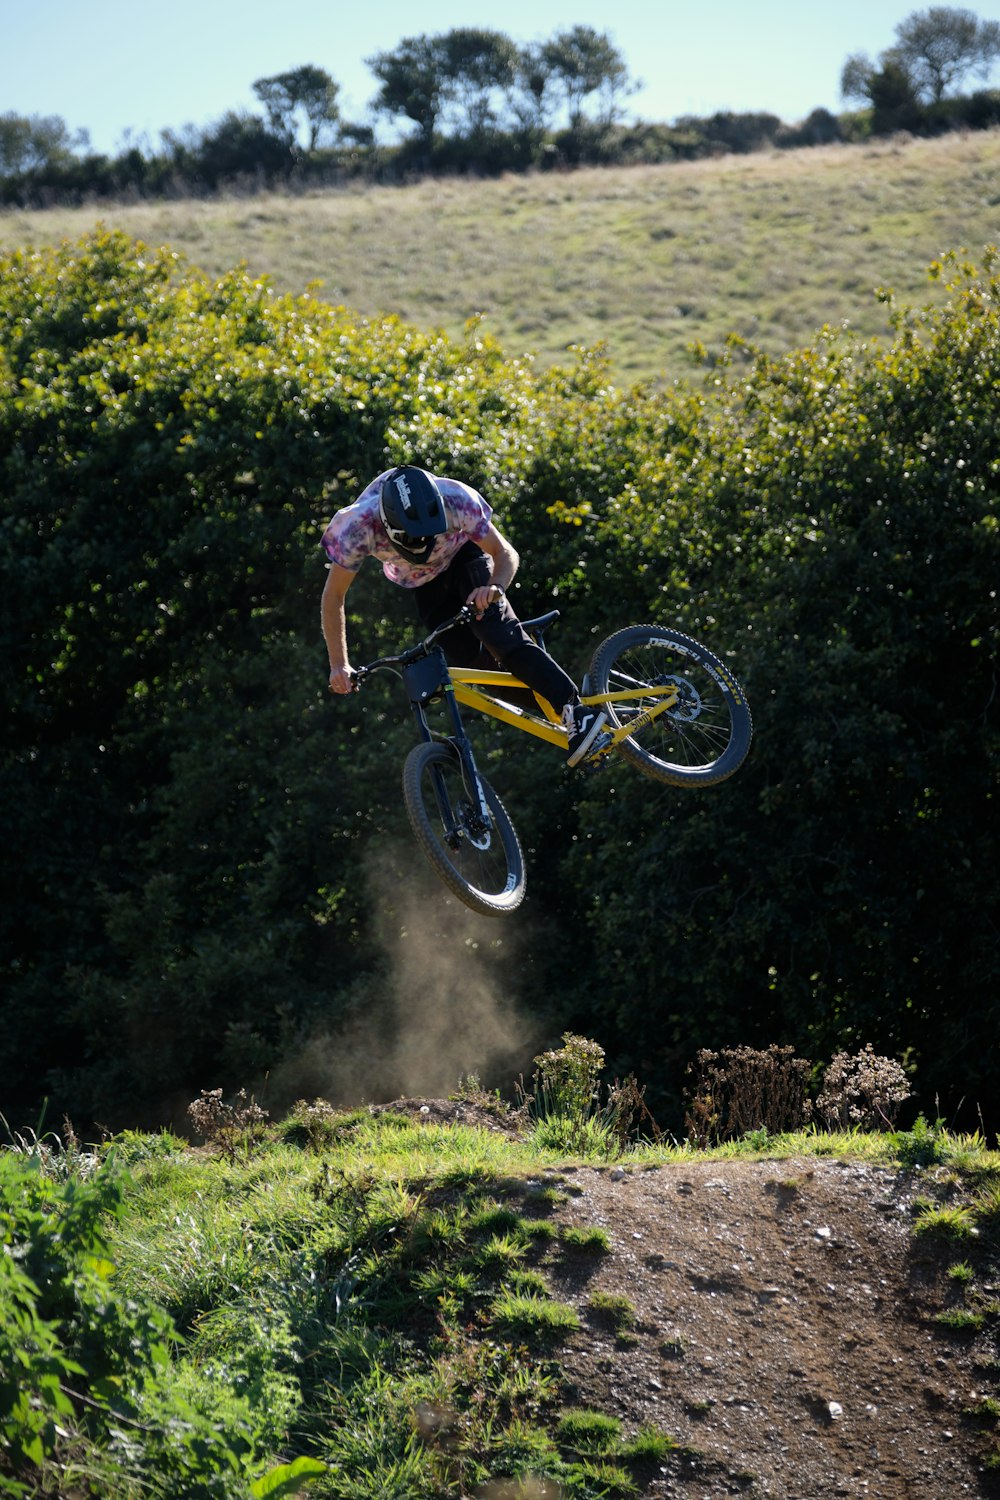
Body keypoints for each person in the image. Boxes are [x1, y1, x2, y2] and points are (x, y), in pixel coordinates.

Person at [321, 464, 609, 766]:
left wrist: (495, 588)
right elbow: (333, 597)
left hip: (465, 559)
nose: (425, 548)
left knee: (494, 630)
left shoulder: (456, 500)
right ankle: (565, 715)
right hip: (423, 585)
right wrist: (339, 664)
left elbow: (504, 553)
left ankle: (574, 709)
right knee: (482, 671)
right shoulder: (356, 527)